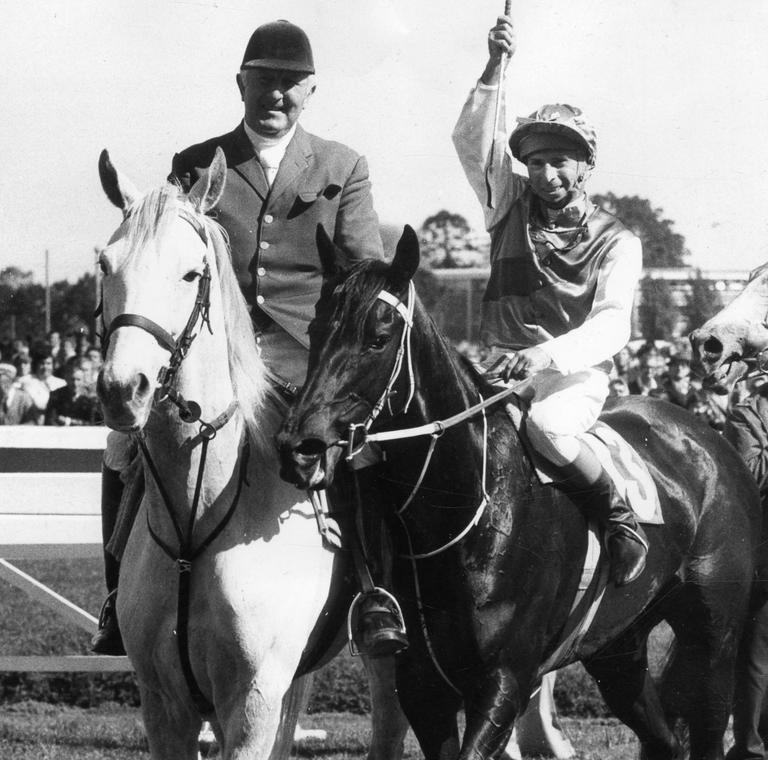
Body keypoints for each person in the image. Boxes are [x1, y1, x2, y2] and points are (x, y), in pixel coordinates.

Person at [92, 20, 406, 658]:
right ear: (241, 84)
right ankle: (116, 599)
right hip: (213, 361)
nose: (277, 94)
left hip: (304, 362)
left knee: (368, 447)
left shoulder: (344, 166)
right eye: (264, 81)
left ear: (311, 90)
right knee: (122, 448)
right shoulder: (197, 163)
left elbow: (362, 271)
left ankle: (375, 592)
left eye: (290, 84)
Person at [452, 14, 646, 587]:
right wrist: (494, 67)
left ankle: (618, 519)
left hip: (569, 378)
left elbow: (613, 327)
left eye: (560, 160)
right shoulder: (505, 203)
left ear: (586, 165)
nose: (545, 173)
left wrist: (545, 357)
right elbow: (474, 143)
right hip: (494, 367)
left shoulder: (620, 239)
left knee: (548, 430)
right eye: (534, 161)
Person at [723, 384, 768, 760]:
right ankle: (749, 758)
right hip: (762, 551)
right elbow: (747, 476)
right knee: (756, 655)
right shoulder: (748, 414)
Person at [45, 358, 99, 426]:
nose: (75, 383)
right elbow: (50, 420)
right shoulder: (56, 395)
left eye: (78, 380)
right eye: (72, 379)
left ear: (83, 380)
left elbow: (92, 423)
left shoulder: (91, 398)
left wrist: (68, 421)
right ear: (67, 378)